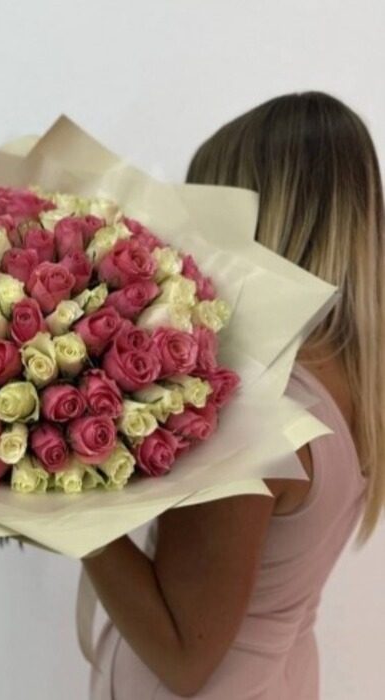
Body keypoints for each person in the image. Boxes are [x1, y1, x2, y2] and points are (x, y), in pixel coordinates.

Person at [85, 92, 384, 699]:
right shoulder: (356, 381)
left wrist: (57, 501)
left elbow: (183, 657)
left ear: (254, 221)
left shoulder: (256, 407)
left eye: (206, 210)